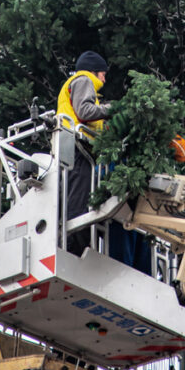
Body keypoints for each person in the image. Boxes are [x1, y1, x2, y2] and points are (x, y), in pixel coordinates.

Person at [56, 50, 112, 256]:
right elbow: (84, 112)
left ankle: (77, 243)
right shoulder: (83, 80)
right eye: (103, 73)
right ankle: (75, 247)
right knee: (79, 199)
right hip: (77, 147)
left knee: (77, 195)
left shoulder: (81, 84)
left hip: (74, 146)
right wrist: (112, 109)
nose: (105, 78)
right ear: (94, 71)